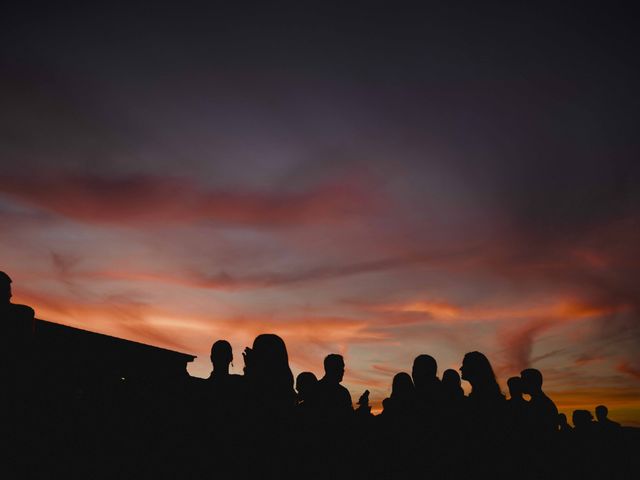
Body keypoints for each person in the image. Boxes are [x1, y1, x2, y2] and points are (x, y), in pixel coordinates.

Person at [520, 368, 558, 436]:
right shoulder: (542, 402)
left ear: (531, 382)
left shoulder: (543, 405)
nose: (521, 384)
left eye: (523, 380)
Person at [316, 354, 353, 420]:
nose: (343, 371)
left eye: (343, 367)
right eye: (340, 367)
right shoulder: (343, 393)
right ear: (330, 368)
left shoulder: (316, 388)